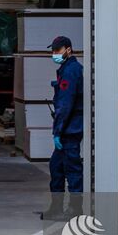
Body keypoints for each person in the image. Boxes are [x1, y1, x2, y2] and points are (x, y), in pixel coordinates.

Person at [40, 35, 84, 221]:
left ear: (68, 50)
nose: (54, 54)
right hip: (66, 128)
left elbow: (65, 105)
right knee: (56, 167)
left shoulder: (71, 71)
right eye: (53, 51)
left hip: (70, 130)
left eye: (57, 51)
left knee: (72, 168)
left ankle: (75, 209)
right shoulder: (67, 69)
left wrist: (58, 131)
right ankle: (56, 207)